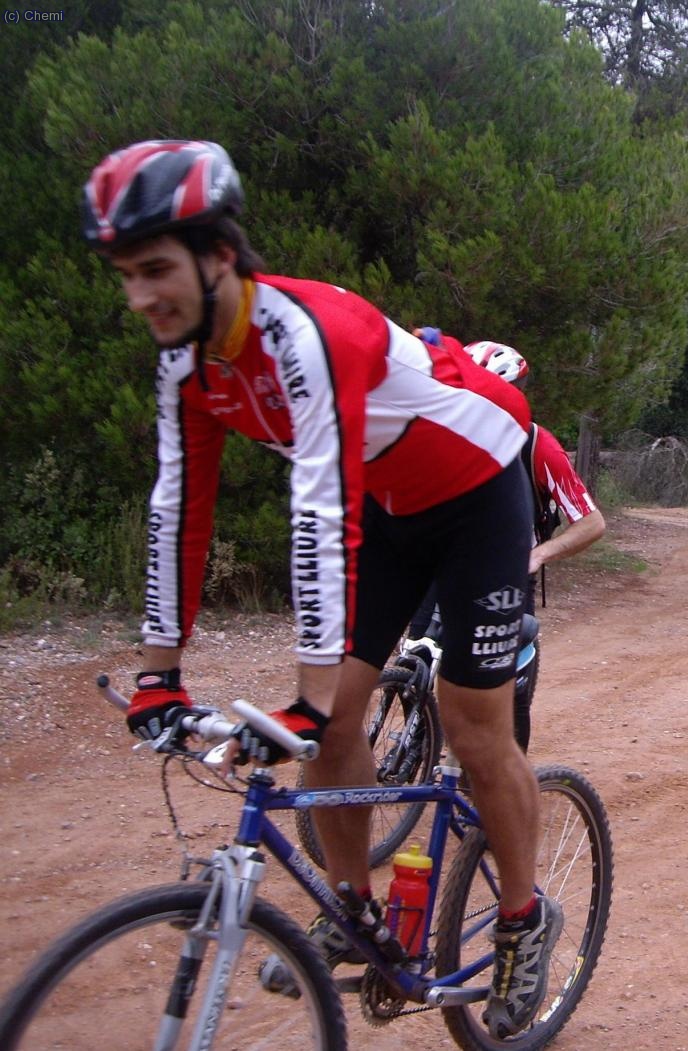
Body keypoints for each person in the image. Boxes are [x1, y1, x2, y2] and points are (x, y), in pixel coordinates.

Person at [84, 139, 558, 1036]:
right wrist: (159, 673)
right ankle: (355, 913)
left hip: (477, 490)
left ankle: (523, 918)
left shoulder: (306, 333)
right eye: (124, 274)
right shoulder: (187, 360)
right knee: (339, 719)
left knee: (471, 724)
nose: (140, 295)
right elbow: (176, 508)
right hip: (391, 502)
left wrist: (300, 695)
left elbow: (317, 512)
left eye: (154, 268)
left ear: (219, 255)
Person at [407, 333, 606, 750]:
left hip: (506, 575)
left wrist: (538, 554)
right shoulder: (447, 434)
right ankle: (413, 750)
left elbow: (590, 522)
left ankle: (496, 784)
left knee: (502, 699)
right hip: (443, 564)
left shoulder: (538, 445)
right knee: (414, 665)